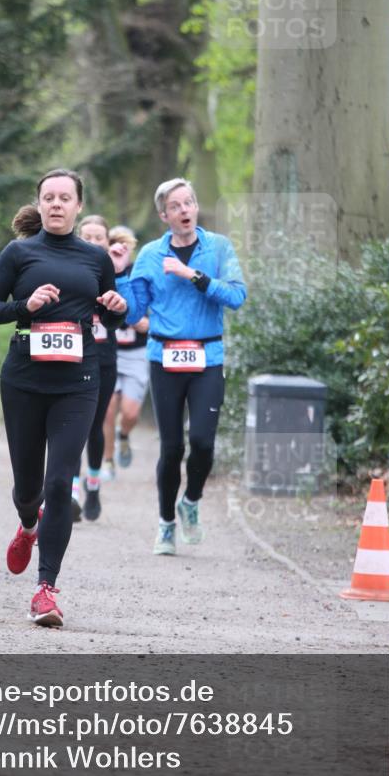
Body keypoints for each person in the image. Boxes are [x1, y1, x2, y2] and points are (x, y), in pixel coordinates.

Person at [0, 169, 127, 626]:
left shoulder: (95, 258)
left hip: (78, 382)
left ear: (79, 206)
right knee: (29, 490)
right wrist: (25, 307)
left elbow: (110, 317)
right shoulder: (19, 252)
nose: (57, 204)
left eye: (65, 198)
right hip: (24, 381)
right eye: (49, 197)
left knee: (61, 482)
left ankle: (46, 590)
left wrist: (118, 309)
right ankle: (29, 525)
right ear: (39, 204)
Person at [111, 178, 246, 556]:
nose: (184, 210)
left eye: (189, 202)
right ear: (164, 216)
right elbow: (133, 313)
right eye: (175, 206)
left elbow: (237, 295)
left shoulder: (218, 247)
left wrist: (195, 277)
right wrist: (120, 274)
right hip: (164, 358)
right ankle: (166, 524)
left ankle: (191, 500)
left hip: (207, 357)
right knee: (171, 449)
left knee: (202, 442)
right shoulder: (150, 255)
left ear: (196, 207)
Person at [70, 215, 118, 523]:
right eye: (86, 236)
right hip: (74, 357)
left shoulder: (116, 274)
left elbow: (127, 312)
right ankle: (72, 493)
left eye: (98, 237)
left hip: (104, 360)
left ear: (108, 242)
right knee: (73, 425)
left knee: (95, 425)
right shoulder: (69, 270)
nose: (92, 242)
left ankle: (94, 486)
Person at [102, 225, 150, 478]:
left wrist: (147, 323)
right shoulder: (101, 272)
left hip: (137, 353)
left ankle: (124, 435)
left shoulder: (140, 274)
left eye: (126, 245)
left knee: (130, 413)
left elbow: (155, 309)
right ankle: (108, 460)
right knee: (108, 410)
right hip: (111, 352)